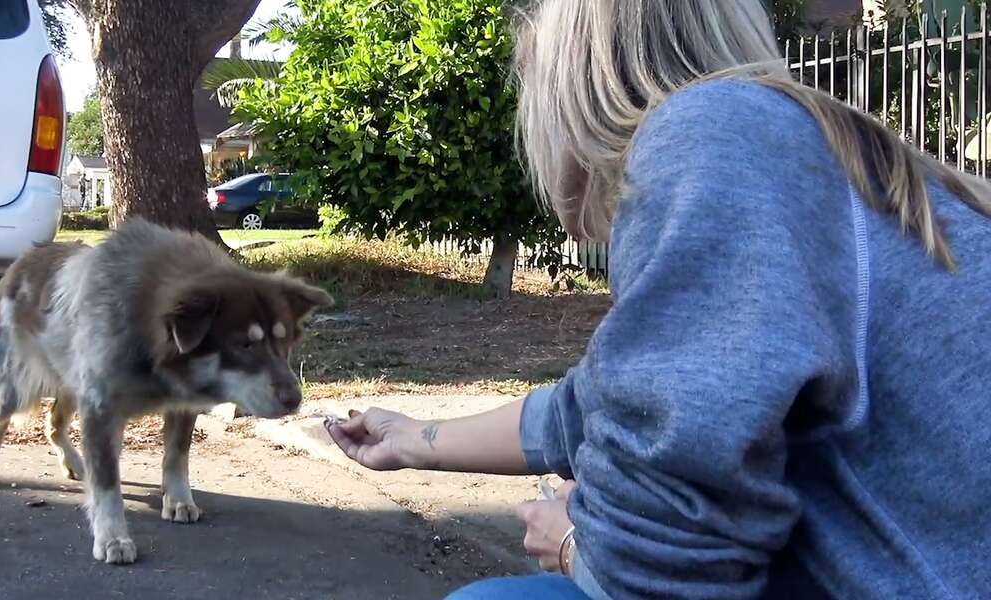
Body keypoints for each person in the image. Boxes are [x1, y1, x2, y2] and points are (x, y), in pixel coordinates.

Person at [325, 0, 991, 598]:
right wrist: (418, 439)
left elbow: (663, 562)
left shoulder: (710, 133)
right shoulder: (823, 157)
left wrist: (571, 541)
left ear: (567, 86)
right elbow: (606, 402)